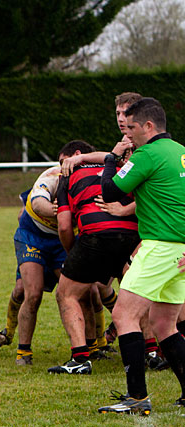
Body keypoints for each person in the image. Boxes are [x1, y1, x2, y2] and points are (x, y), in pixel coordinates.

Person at [97, 97, 185, 415]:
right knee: (164, 323)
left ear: (148, 126)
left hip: (160, 246)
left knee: (124, 316)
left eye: (132, 127)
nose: (128, 134)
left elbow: (110, 191)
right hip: (180, 250)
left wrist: (112, 157)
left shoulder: (147, 154)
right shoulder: (180, 151)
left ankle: (136, 397)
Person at [0, 141, 94, 365]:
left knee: (83, 292)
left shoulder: (90, 181)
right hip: (33, 238)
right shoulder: (53, 176)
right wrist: (58, 211)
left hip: (62, 242)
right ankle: (19, 347)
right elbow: (36, 203)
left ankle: (94, 345)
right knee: (29, 292)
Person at [48, 138, 140, 376]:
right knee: (137, 291)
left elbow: (65, 227)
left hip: (96, 236)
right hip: (133, 235)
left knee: (66, 293)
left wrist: (73, 255)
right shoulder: (121, 167)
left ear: (73, 158)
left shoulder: (66, 178)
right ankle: (150, 352)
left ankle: (80, 358)